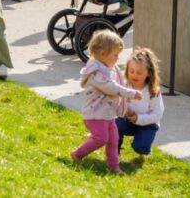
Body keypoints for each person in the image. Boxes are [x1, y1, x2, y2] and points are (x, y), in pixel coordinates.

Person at [71, 29, 141, 173]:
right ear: (103, 54)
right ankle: (77, 154)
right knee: (102, 138)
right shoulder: (97, 73)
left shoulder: (108, 68)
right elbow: (112, 88)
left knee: (113, 139)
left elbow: (118, 81)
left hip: (107, 113)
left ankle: (113, 165)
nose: (117, 58)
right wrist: (131, 93)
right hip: (95, 114)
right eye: (115, 55)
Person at [116, 47, 165, 158]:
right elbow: (116, 103)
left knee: (140, 147)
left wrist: (138, 118)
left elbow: (157, 115)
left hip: (148, 124)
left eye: (139, 73)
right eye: (131, 71)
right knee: (115, 125)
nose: (134, 75)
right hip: (128, 121)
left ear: (148, 73)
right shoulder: (124, 86)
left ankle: (142, 148)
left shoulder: (152, 91)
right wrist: (123, 111)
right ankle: (114, 152)